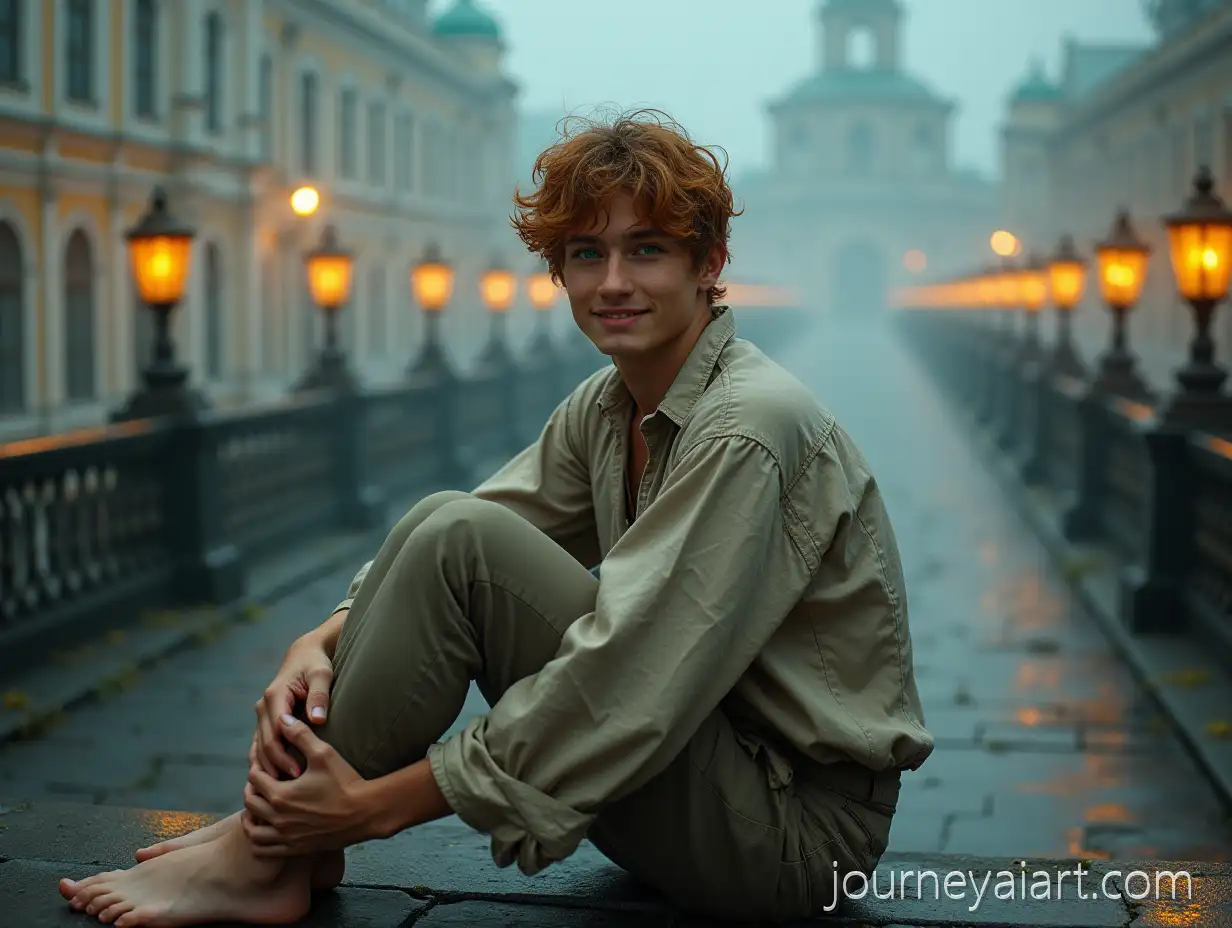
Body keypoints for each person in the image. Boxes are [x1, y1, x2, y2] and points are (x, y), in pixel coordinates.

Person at [58, 109, 932, 926]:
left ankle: (271, 848)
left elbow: (628, 680)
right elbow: (467, 527)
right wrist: (318, 638)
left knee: (460, 543)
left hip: (793, 837)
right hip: (702, 777)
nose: (613, 282)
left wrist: (370, 810)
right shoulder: (608, 405)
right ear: (559, 271)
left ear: (709, 263)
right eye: (586, 253)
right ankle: (280, 841)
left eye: (647, 250)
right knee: (444, 523)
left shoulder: (748, 427)